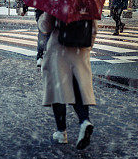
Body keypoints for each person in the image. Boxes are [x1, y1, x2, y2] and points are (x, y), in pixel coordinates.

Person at [37, 11, 96, 150]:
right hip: (80, 49)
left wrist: (44, 16)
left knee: (58, 89)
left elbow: (45, 26)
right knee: (78, 87)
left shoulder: (58, 0)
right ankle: (84, 121)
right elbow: (93, 29)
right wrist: (87, 46)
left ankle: (61, 131)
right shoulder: (86, 2)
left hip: (59, 48)